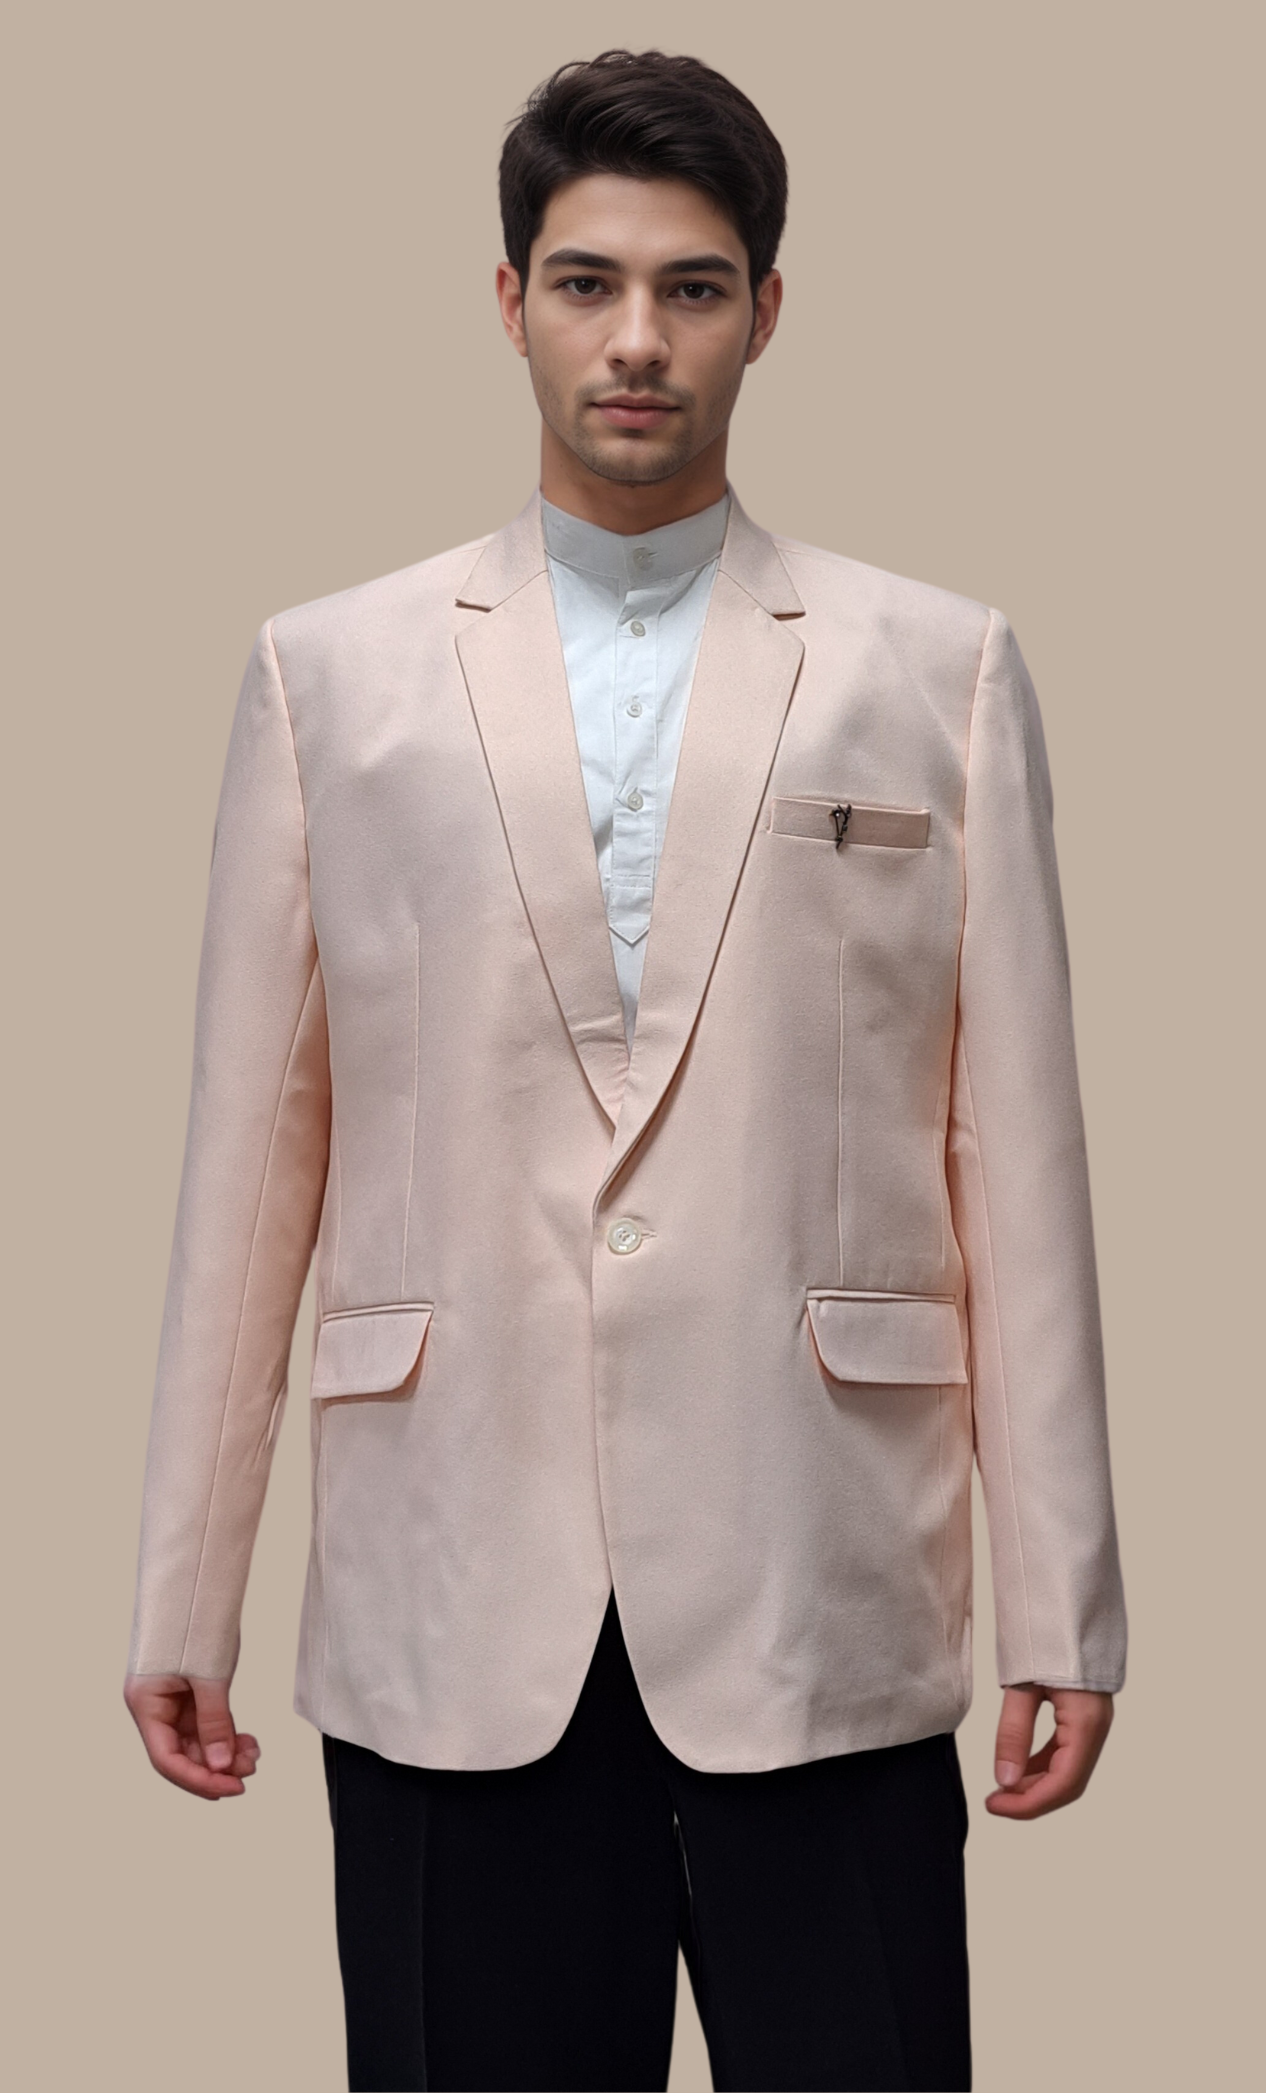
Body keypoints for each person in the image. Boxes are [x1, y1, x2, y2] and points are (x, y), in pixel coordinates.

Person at [124, 47, 1127, 2093]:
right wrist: (180, 1590)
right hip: (447, 1590)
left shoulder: (935, 669)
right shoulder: (331, 674)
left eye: (692, 286)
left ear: (767, 309)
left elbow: (1012, 1151)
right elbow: (254, 1157)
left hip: (820, 1575)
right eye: (587, 284)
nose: (639, 340)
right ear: (510, 303)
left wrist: (1066, 1600)